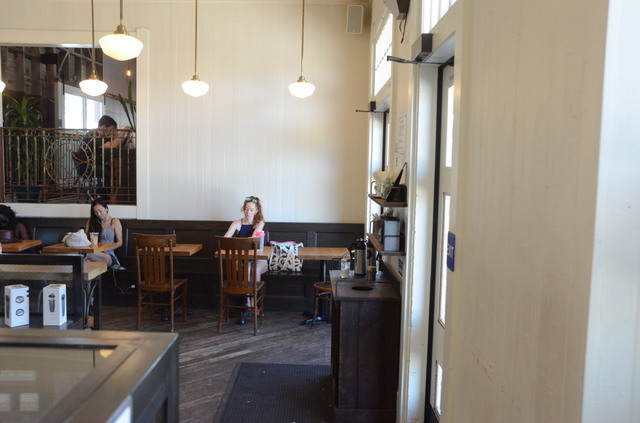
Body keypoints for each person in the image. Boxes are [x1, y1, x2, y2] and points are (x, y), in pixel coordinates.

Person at [223, 196, 267, 311]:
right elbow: (224, 240)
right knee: (247, 268)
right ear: (243, 209)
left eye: (251, 210)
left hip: (258, 258)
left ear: (256, 211)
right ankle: (248, 302)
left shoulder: (260, 222)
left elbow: (252, 239)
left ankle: (254, 302)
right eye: (246, 209)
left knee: (255, 269)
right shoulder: (237, 223)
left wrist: (237, 243)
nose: (248, 212)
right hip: (241, 259)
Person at [75, 115, 133, 200]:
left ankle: (103, 194)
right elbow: (113, 145)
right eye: (111, 130)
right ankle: (101, 193)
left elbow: (116, 146)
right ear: (104, 127)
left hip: (89, 165)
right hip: (87, 167)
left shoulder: (98, 135)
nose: (110, 133)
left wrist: (123, 135)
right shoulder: (94, 135)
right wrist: (124, 131)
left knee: (111, 170)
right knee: (113, 172)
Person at [84, 198, 125, 270]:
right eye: (96, 212)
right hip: (94, 253)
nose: (99, 214)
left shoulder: (115, 221)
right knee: (86, 264)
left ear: (106, 209)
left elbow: (120, 243)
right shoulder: (91, 222)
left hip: (108, 255)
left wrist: (104, 249)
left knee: (86, 255)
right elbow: (85, 240)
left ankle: (81, 256)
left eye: (100, 211)